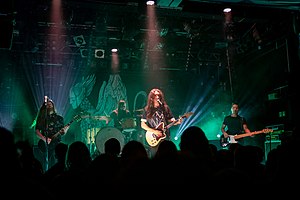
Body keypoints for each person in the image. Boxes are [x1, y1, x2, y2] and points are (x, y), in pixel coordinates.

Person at [140, 88, 182, 157]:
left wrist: (177, 122)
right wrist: (154, 131)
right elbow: (143, 125)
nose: (157, 97)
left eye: (159, 95)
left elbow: (171, 120)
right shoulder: (147, 109)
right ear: (151, 98)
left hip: (165, 137)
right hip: (154, 138)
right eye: (155, 95)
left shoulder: (165, 108)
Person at [35, 97, 68, 171]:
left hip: (57, 144)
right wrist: (44, 139)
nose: (49, 105)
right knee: (44, 162)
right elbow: (37, 131)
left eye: (51, 104)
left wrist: (64, 131)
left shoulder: (59, 118)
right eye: (47, 104)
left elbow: (63, 132)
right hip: (44, 144)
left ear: (53, 106)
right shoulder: (41, 118)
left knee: (57, 162)